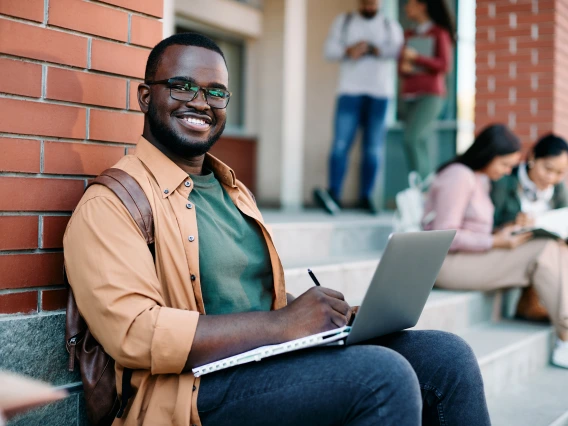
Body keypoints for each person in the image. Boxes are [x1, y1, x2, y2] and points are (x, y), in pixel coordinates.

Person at [64, 32, 491, 425]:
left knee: (447, 358)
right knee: (383, 376)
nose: (200, 102)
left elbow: (245, 294)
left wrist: (317, 315)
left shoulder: (232, 190)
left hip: (264, 358)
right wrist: (283, 324)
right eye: (181, 86)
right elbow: (135, 334)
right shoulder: (113, 202)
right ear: (144, 96)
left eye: (216, 92)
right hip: (188, 391)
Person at [423, 124, 568, 369]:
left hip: (471, 256)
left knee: (552, 245)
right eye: (505, 164)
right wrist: (496, 241)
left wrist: (503, 232)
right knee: (543, 248)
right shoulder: (459, 176)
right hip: (446, 264)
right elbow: (443, 235)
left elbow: (474, 228)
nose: (509, 171)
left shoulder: (479, 179)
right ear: (488, 155)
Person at [316, 0, 404, 214]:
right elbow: (328, 50)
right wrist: (348, 50)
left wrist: (375, 49)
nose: (369, 5)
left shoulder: (390, 25)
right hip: (349, 92)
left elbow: (399, 51)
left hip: (380, 94)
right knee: (340, 144)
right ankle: (333, 194)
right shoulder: (344, 22)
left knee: (373, 149)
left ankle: (366, 196)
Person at [491, 134, 568, 322]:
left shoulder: (558, 190)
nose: (551, 178)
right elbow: (488, 225)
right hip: (510, 249)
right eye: (548, 169)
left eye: (560, 173)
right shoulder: (506, 181)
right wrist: (512, 224)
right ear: (533, 157)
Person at [399, 0, 455, 179]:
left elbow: (445, 65)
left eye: (410, 4)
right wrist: (405, 67)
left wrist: (418, 58)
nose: (407, 8)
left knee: (412, 138)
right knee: (419, 141)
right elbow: (401, 68)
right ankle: (422, 186)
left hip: (431, 95)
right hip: (409, 95)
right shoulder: (408, 34)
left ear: (422, 5)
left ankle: (422, 187)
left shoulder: (439, 33)